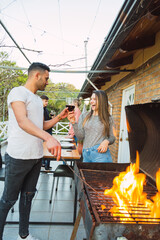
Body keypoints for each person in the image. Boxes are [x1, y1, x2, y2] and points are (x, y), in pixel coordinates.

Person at [0, 62, 68, 240]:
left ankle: (23, 235)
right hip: (18, 157)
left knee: (28, 197)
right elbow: (23, 122)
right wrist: (49, 138)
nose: (48, 82)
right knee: (8, 200)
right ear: (36, 75)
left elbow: (41, 126)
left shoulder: (38, 100)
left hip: (36, 157)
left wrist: (59, 118)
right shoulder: (17, 92)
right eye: (46, 78)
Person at [67, 90, 115, 163]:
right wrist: (73, 123)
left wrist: (106, 141)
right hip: (86, 154)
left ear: (102, 101)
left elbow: (112, 137)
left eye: (94, 99)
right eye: (91, 99)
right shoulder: (84, 116)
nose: (91, 101)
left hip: (100, 155)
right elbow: (80, 137)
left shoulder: (109, 118)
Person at [40, 95, 53, 171]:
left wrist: (51, 119)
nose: (47, 103)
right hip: (45, 132)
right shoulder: (40, 109)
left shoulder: (45, 109)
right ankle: (46, 165)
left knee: (47, 148)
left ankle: (45, 164)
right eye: (45, 101)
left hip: (48, 131)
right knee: (47, 148)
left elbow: (47, 120)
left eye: (47, 101)